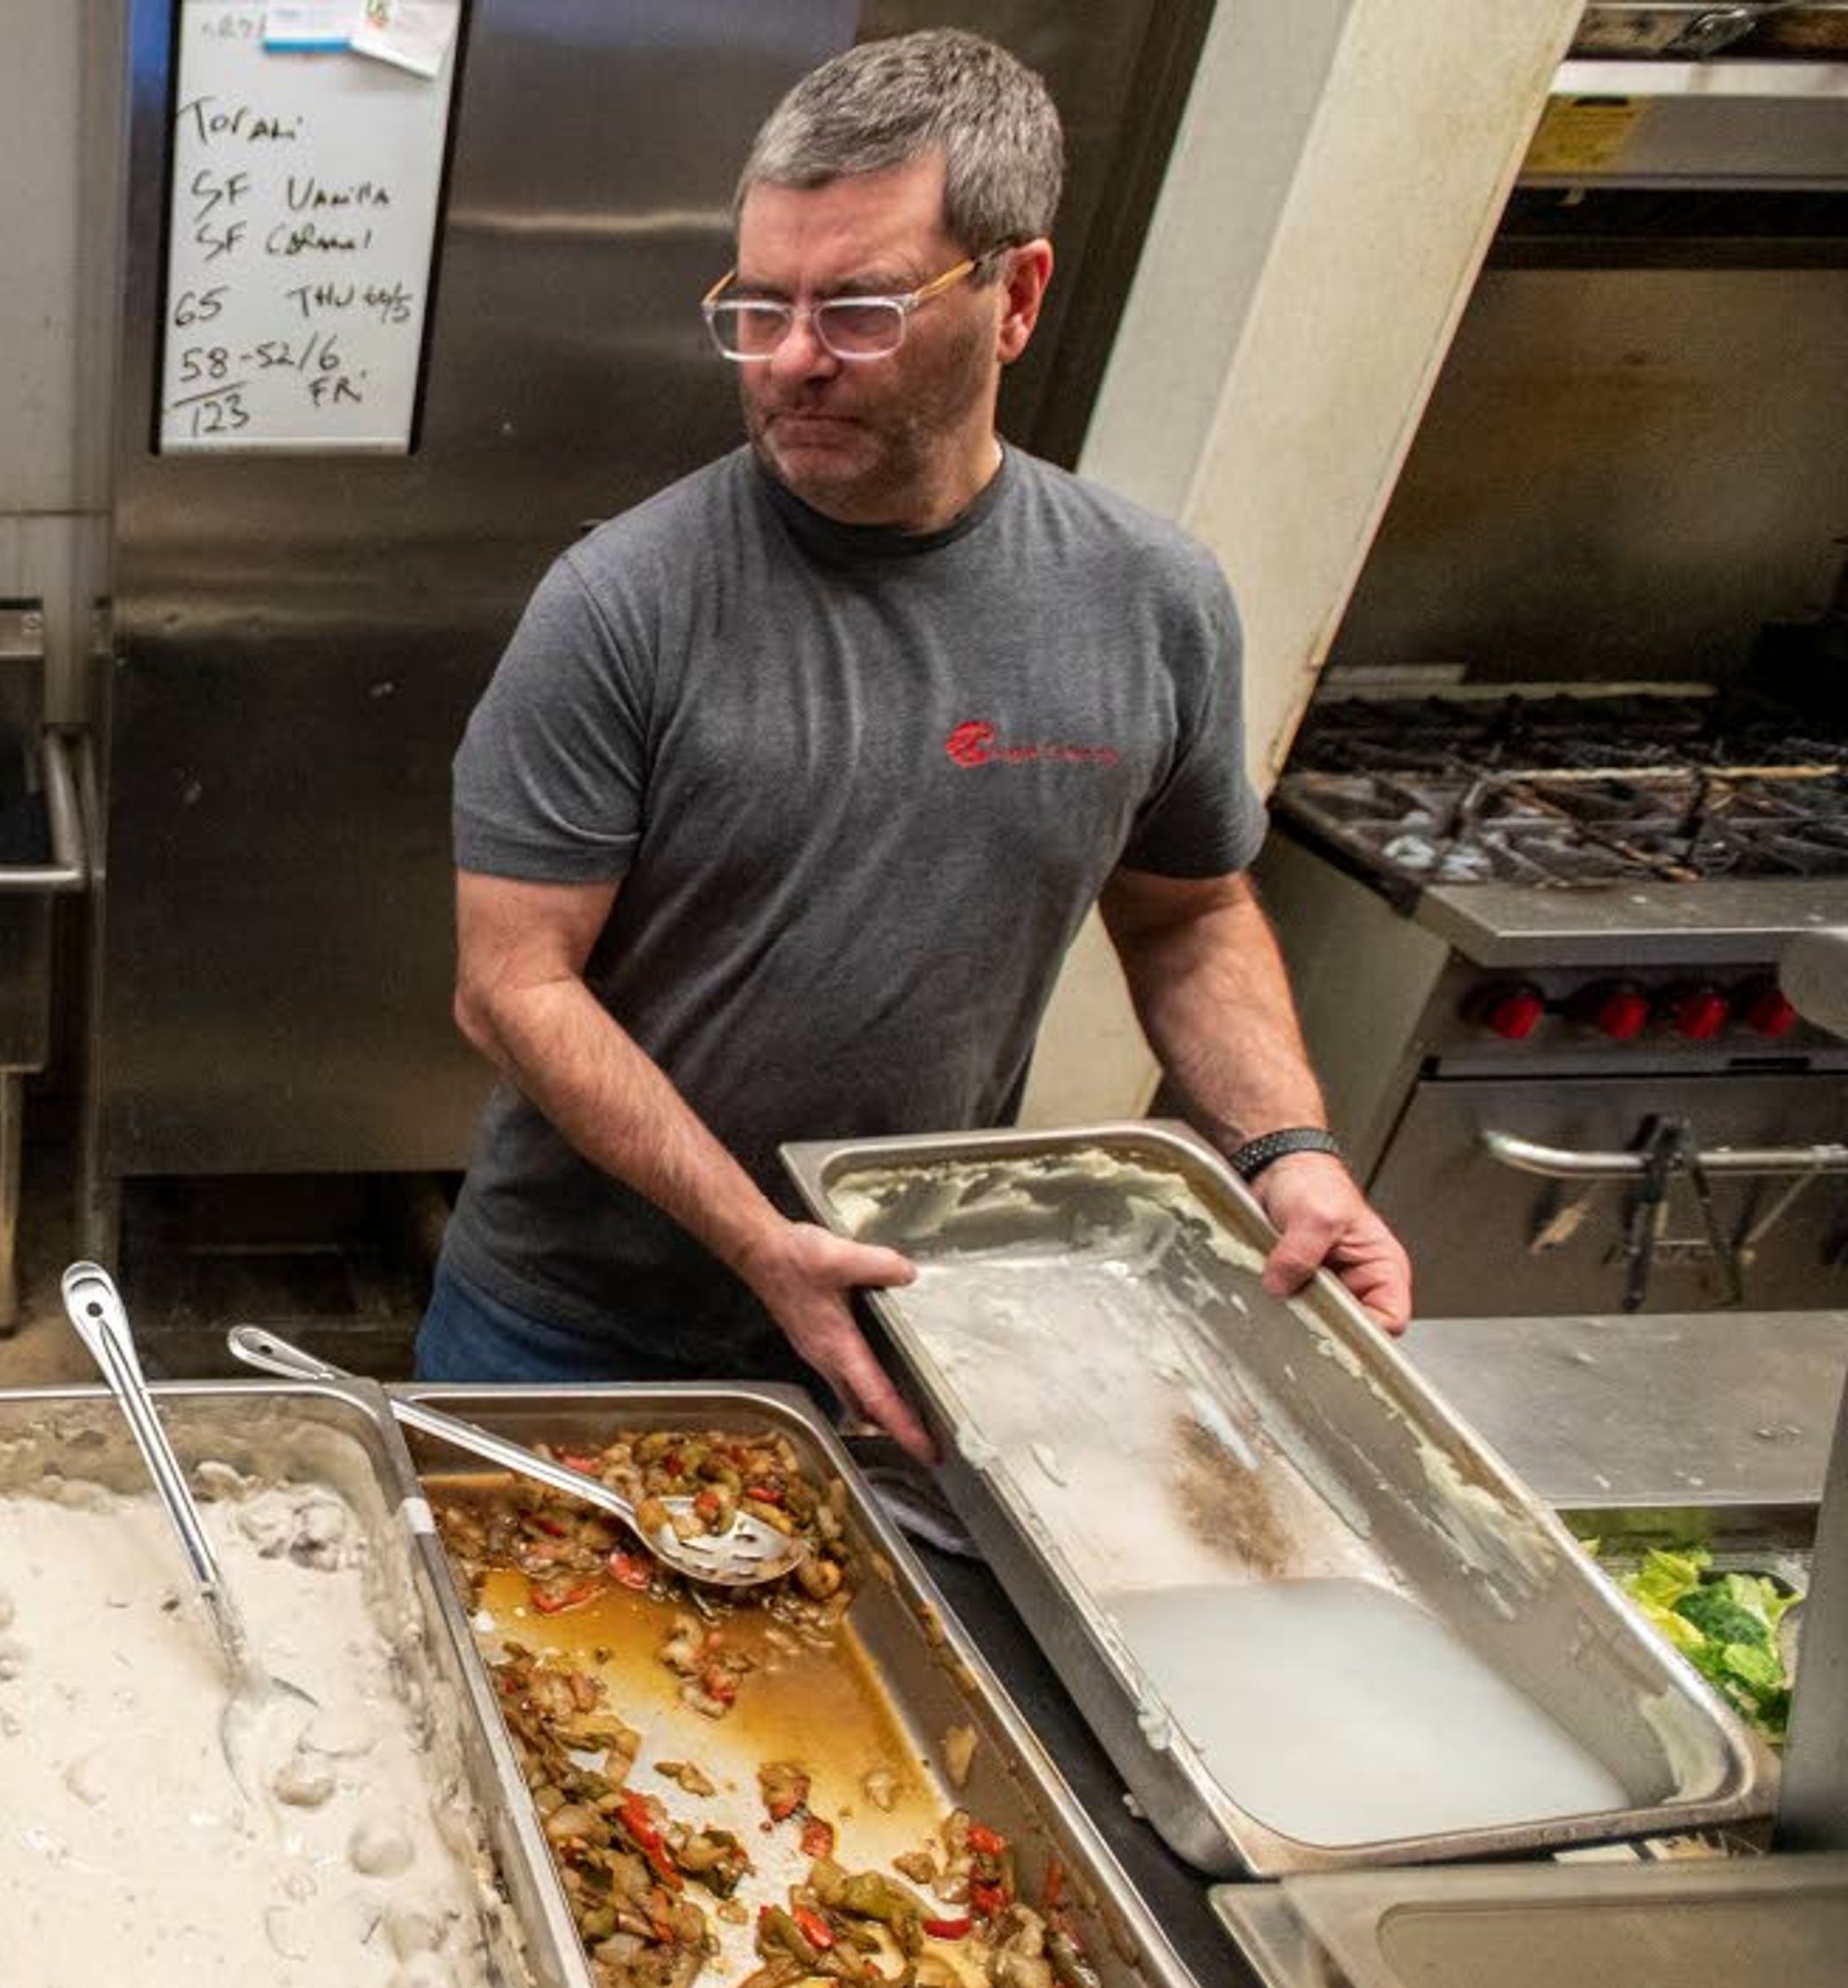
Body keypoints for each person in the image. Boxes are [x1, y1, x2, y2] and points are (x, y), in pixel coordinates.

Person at [424, 31, 1410, 1454]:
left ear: (1016, 297)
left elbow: (1189, 917)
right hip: (573, 1321)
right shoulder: (622, 602)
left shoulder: (1152, 599)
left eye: (863, 310)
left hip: (912, 1308)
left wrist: (1292, 1150)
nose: (794, 362)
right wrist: (760, 1235)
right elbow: (512, 985)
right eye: (760, 309)